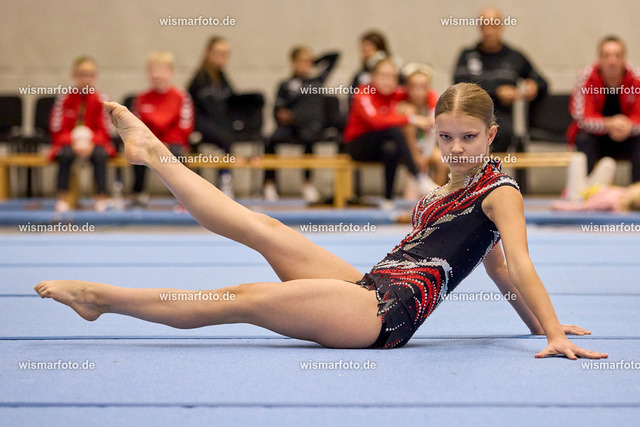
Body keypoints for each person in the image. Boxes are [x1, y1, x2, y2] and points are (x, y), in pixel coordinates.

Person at [34, 83, 608, 360]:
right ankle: (155, 154)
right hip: (368, 287)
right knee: (265, 227)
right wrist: (535, 324)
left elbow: (519, 265)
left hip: (383, 316)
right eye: (446, 137)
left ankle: (101, 299)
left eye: (469, 138)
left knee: (245, 297)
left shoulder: (501, 192)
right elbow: (495, 269)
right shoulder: (447, 189)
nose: (456, 149)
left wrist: (552, 333)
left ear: (492, 135)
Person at [453, 7, 547, 152]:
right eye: (484, 26)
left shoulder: (514, 56)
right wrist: (496, 91)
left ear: (501, 27)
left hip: (503, 118)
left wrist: (533, 85)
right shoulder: (468, 55)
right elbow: (459, 84)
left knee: (504, 132)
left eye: (493, 25)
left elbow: (542, 81)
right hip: (471, 115)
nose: (488, 31)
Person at [344, 57, 432, 208]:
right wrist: (412, 119)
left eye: (393, 77)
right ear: (373, 77)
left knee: (390, 148)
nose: (389, 81)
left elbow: (426, 93)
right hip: (359, 145)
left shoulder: (396, 94)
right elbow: (376, 121)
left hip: (382, 145)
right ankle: (418, 176)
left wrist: (432, 112)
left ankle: (388, 198)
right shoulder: (363, 92)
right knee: (392, 129)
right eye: (384, 76)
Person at [263, 46, 339, 202]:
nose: (306, 65)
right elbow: (278, 109)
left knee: (310, 138)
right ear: (293, 62)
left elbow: (335, 56)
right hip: (291, 127)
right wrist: (283, 115)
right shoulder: (285, 84)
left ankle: (307, 183)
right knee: (270, 140)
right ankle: (269, 184)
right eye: (302, 61)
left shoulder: (316, 82)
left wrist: (315, 61)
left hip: (309, 128)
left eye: (308, 62)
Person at [567, 35, 640, 183]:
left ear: (624, 59)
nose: (612, 62)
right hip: (597, 138)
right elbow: (581, 118)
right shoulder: (586, 77)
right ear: (599, 59)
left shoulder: (637, 78)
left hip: (629, 137)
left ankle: (637, 189)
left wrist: (629, 125)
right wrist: (609, 124)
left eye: (617, 56)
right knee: (583, 138)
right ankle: (586, 189)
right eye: (606, 56)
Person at [49, 55, 115, 212]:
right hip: (69, 143)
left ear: (95, 77)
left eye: (90, 75)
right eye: (82, 74)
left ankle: (101, 198)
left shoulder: (102, 100)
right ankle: (62, 199)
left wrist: (91, 143)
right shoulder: (64, 99)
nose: (86, 79)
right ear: (74, 75)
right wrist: (73, 142)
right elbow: (56, 128)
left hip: (94, 143)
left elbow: (105, 130)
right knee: (65, 155)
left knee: (100, 155)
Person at [130, 51, 194, 208]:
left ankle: (182, 196)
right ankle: (138, 193)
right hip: (149, 142)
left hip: (173, 144)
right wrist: (154, 142)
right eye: (152, 70)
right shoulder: (141, 98)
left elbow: (185, 127)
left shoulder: (181, 97)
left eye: (161, 70)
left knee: (176, 153)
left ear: (171, 72)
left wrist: (165, 143)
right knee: (136, 151)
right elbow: (137, 126)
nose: (156, 74)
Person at [187, 36, 235, 197]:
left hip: (219, 124)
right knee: (225, 137)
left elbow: (231, 102)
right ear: (208, 54)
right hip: (199, 124)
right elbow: (192, 108)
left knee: (228, 135)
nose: (223, 58)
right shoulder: (200, 78)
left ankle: (224, 178)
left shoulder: (222, 77)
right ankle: (218, 180)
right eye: (219, 53)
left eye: (226, 54)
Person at [397, 63, 448, 198]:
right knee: (411, 194)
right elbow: (406, 134)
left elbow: (433, 134)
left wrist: (425, 155)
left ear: (428, 88)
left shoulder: (433, 105)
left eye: (423, 87)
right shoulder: (404, 106)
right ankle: (416, 188)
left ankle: (435, 198)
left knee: (443, 161)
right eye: (414, 87)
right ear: (407, 87)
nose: (418, 92)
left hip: (426, 148)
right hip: (407, 151)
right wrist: (416, 157)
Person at [552, 152, 640, 212]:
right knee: (608, 162)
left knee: (577, 158)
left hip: (579, 197)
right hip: (594, 188)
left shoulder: (609, 201)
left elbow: (583, 207)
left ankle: (569, 193)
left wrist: (559, 206)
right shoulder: (623, 192)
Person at [349, 30, 402, 105]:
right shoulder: (361, 76)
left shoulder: (396, 71)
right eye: (363, 51)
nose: (365, 55)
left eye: (368, 51)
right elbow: (352, 98)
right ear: (372, 76)